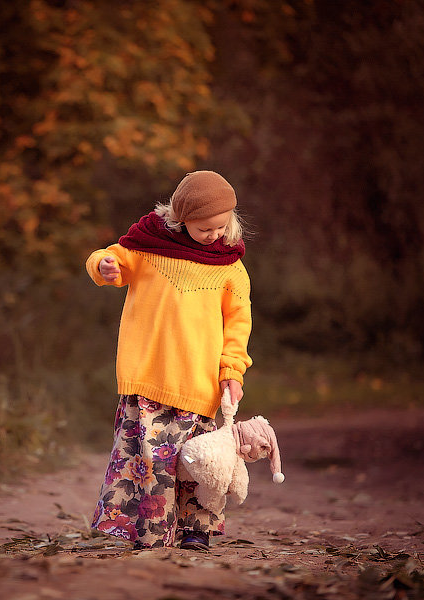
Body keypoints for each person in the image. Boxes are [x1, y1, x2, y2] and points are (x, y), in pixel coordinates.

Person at [86, 170, 252, 551]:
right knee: (151, 464)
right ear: (180, 220)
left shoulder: (230, 266)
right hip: (147, 376)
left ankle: (197, 531)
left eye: (221, 226)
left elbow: (237, 326)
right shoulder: (146, 248)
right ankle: (151, 534)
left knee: (199, 464)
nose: (214, 235)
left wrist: (232, 371)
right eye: (204, 228)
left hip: (199, 382)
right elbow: (110, 257)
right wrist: (104, 266)